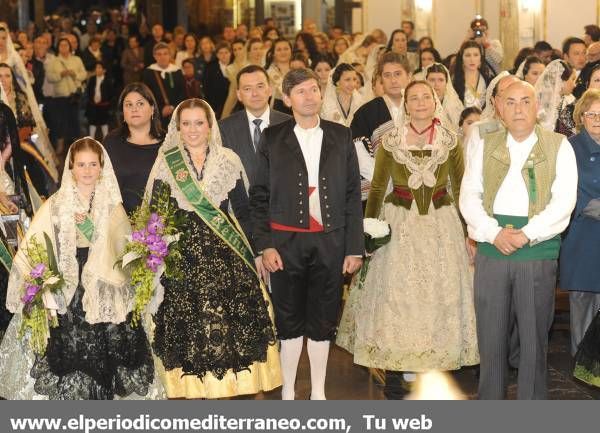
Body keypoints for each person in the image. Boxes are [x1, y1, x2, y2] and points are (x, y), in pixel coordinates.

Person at [338, 80, 479, 399]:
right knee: (398, 296)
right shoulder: (390, 141)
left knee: (436, 295)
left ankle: (432, 364)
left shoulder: (450, 141)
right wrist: (369, 232)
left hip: (441, 226)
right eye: (413, 98)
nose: (419, 103)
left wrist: (468, 232)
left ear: (434, 102)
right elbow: (377, 187)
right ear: (405, 103)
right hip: (399, 223)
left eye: (425, 97)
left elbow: (461, 188)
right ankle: (397, 370)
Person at [0, 137, 163, 399]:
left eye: (92, 164)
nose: (87, 171)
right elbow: (35, 241)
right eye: (81, 165)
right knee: (70, 354)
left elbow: (125, 250)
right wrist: (39, 278)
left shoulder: (112, 205)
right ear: (71, 168)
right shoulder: (56, 203)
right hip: (68, 283)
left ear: (101, 168)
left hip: (103, 283)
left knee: (108, 356)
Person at [145, 98, 281, 398]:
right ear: (178, 128)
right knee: (190, 322)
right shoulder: (167, 161)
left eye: (199, 123)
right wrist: (154, 253)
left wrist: (257, 251)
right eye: (186, 123)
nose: (193, 130)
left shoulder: (228, 159)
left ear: (210, 126)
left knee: (231, 320)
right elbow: (156, 213)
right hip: (183, 253)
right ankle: (194, 388)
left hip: (226, 251)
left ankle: (231, 386)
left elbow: (243, 211)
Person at [249, 68, 363, 400]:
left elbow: (352, 195)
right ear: (286, 99)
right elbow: (259, 196)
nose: (309, 96)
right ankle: (287, 391)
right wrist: (265, 245)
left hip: (331, 239)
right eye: (300, 92)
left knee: (323, 318)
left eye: (314, 89)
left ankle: (318, 392)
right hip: (285, 243)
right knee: (288, 318)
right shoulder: (273, 138)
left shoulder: (341, 135)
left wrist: (354, 247)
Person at [460, 81, 578, 399]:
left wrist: (526, 234)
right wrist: (492, 232)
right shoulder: (484, 144)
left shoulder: (559, 145)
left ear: (536, 106)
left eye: (525, 101)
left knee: (533, 341)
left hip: (536, 250)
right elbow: (469, 195)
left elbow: (564, 201)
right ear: (498, 107)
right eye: (510, 102)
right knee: (491, 339)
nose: (518, 109)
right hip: (491, 248)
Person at [559, 89, 600, 356]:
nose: (598, 118)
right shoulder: (570, 147)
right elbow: (565, 190)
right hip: (583, 235)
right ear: (581, 117)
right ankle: (583, 363)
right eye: (592, 114)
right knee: (583, 301)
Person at [351, 52, 411, 203]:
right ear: (381, 80)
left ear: (408, 76)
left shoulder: (421, 107)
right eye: (387, 75)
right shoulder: (366, 112)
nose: (393, 80)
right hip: (381, 189)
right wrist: (388, 182)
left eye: (398, 74)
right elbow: (359, 152)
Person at [218, 65, 289, 182]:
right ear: (239, 95)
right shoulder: (224, 128)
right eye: (247, 89)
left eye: (260, 86)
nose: (255, 93)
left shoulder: (289, 124)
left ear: (270, 89)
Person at [104, 83, 164, 216]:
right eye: (128, 105)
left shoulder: (168, 144)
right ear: (123, 112)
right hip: (119, 222)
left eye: (140, 104)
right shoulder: (111, 142)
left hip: (161, 224)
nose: (134, 109)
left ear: (152, 109)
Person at [45, 37, 87, 157]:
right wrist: (60, 75)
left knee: (75, 121)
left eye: (66, 45)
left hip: (74, 96)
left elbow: (84, 74)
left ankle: (77, 146)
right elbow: (49, 77)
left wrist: (75, 74)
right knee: (61, 122)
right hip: (60, 96)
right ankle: (60, 147)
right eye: (61, 45)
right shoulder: (54, 61)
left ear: (70, 47)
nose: (64, 48)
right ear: (58, 47)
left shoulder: (77, 59)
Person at [142, 42, 186, 129]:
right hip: (157, 114)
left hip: (176, 112)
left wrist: (173, 107)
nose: (162, 57)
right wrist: (160, 108)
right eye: (159, 54)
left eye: (165, 54)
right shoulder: (148, 73)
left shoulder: (177, 71)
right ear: (154, 56)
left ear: (170, 55)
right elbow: (146, 95)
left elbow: (183, 92)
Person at [535, 59, 577, 136]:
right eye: (573, 79)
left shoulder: (570, 99)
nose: (575, 85)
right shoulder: (542, 101)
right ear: (562, 81)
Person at [452, 40, 493, 110]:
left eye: (476, 55)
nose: (472, 59)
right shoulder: (454, 80)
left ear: (481, 58)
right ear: (462, 58)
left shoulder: (488, 79)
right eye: (468, 55)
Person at [423, 63, 464, 130]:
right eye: (432, 80)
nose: (436, 84)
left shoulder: (455, 104)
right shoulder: (419, 103)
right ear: (425, 81)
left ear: (446, 82)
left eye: (441, 80)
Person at [320, 63, 364, 127]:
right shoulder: (328, 105)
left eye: (354, 79)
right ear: (337, 82)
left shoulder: (360, 102)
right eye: (347, 80)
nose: (352, 84)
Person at [203, 42, 232, 119]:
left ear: (230, 53)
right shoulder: (210, 68)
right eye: (221, 53)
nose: (224, 55)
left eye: (226, 52)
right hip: (216, 106)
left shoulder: (235, 66)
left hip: (233, 106)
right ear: (217, 55)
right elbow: (206, 89)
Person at [85, 61, 112, 140]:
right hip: (93, 105)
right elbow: (89, 91)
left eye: (99, 68)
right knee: (92, 122)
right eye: (96, 68)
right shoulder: (92, 79)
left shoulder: (108, 80)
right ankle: (91, 139)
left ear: (104, 70)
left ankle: (106, 140)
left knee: (104, 122)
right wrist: (92, 99)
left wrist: (104, 100)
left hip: (104, 105)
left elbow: (110, 93)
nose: (97, 70)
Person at [265, 39, 293, 114]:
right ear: (273, 53)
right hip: (276, 112)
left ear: (291, 51)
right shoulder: (267, 74)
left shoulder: (298, 70)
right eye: (279, 49)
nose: (283, 52)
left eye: (286, 49)